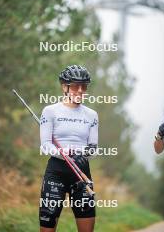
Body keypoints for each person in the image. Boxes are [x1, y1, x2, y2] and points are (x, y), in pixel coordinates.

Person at [39, 65, 99, 232]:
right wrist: (62, 154)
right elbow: (45, 145)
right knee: (47, 229)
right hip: (56, 172)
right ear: (64, 86)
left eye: (84, 86)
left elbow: (93, 147)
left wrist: (83, 155)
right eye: (75, 85)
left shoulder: (92, 115)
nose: (80, 90)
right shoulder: (50, 111)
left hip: (81, 174)